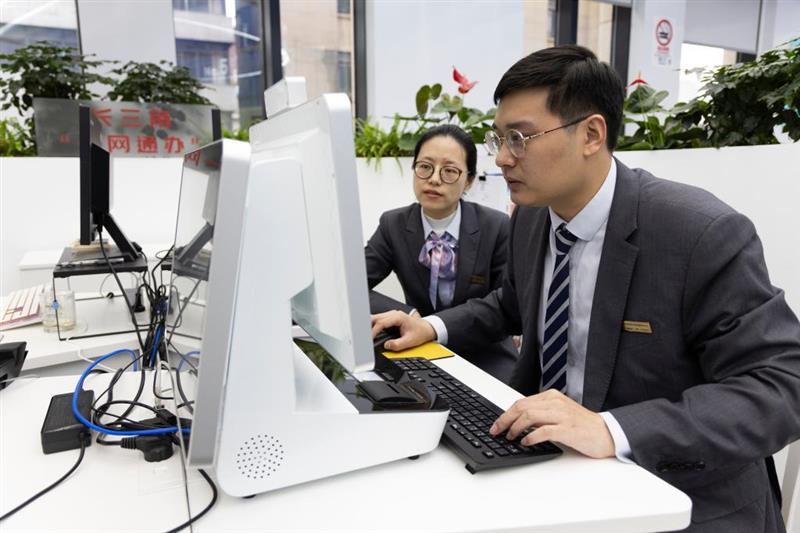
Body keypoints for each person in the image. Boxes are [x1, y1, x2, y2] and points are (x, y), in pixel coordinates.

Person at [371, 45, 800, 531]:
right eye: (498, 139)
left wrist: (610, 428)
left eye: (520, 138)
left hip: (677, 495)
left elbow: (780, 385)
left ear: (592, 134)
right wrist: (430, 327)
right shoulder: (531, 218)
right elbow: (511, 304)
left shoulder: (698, 232)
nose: (503, 158)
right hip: (556, 474)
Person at [365, 124, 518, 382]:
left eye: (449, 171)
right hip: (419, 350)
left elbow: (506, 304)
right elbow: (351, 286)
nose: (434, 179)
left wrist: (434, 326)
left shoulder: (497, 226)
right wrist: (408, 314)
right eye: (425, 167)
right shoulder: (394, 224)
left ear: (468, 180)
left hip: (485, 355)